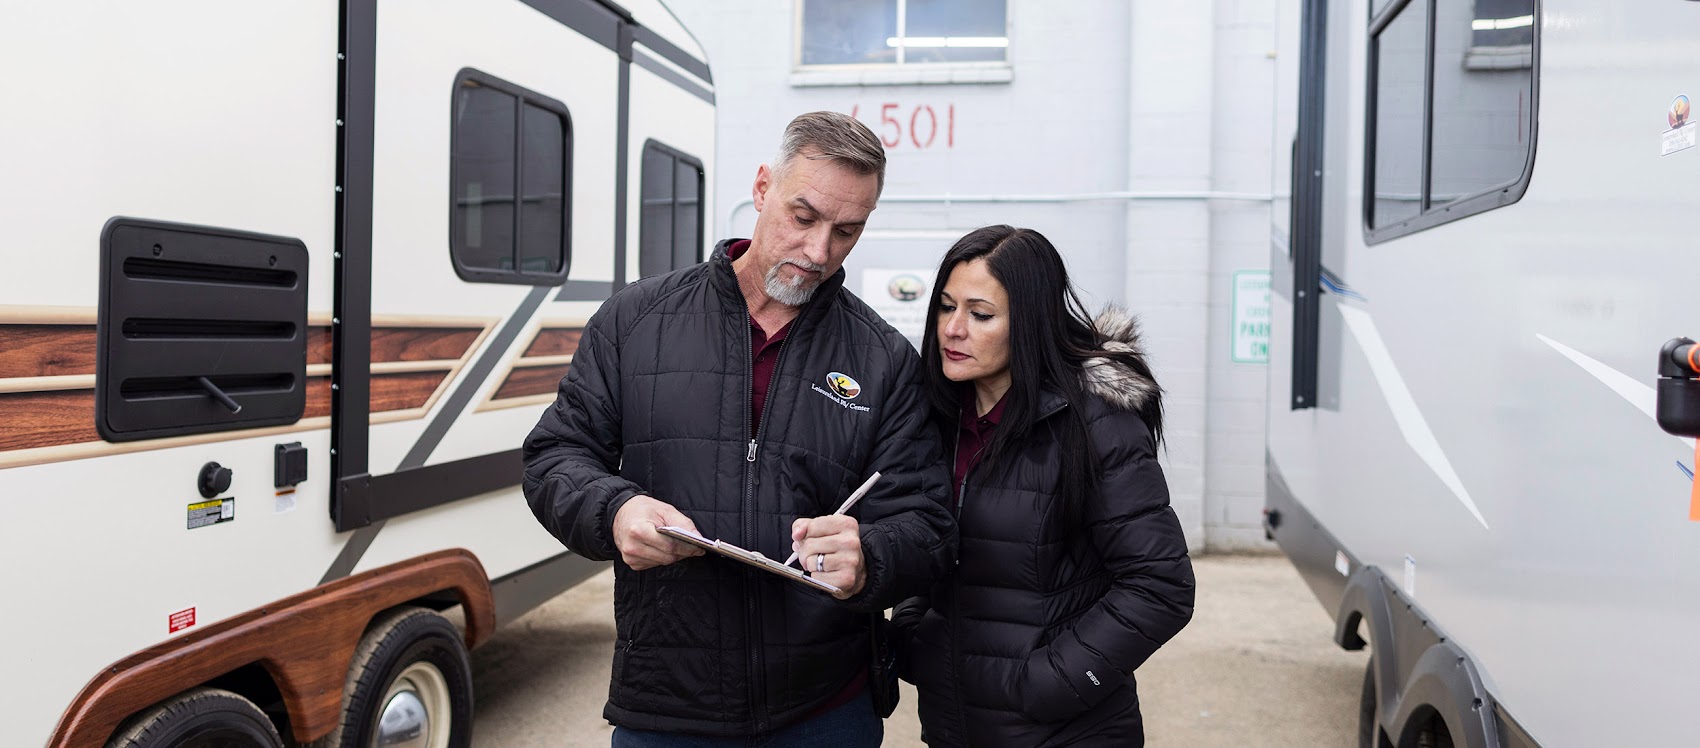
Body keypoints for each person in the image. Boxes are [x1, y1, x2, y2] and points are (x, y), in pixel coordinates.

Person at [522, 111, 956, 747]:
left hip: (826, 708)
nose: (819, 251)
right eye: (803, 217)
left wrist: (871, 555)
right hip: (667, 704)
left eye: (846, 231)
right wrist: (614, 511)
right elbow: (554, 457)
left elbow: (928, 524)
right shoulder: (634, 321)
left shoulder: (884, 360)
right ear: (761, 188)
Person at [893, 225, 1196, 747]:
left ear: (1030, 322)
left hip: (1066, 731)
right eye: (945, 307)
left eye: (980, 314)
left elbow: (1160, 585)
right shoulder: (937, 417)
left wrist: (1054, 683)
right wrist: (918, 632)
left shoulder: (1095, 422)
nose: (953, 329)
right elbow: (928, 539)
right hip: (956, 725)